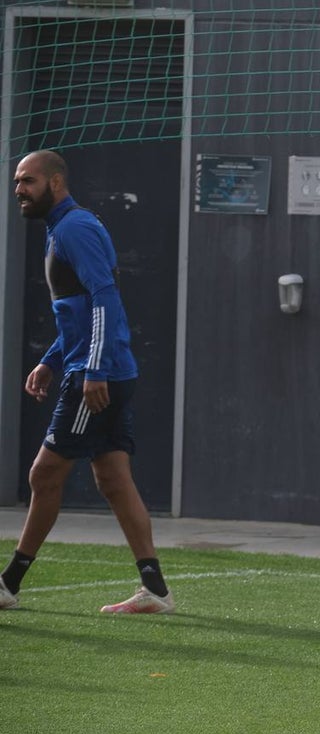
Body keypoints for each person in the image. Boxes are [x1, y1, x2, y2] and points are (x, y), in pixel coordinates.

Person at [0, 150, 174, 614]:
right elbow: (76, 313)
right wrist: (52, 360)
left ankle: (8, 583)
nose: (19, 189)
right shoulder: (63, 228)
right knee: (114, 478)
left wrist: (91, 370)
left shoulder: (74, 228)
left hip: (97, 376)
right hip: (101, 368)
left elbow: (104, 297)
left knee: (43, 473)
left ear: (56, 182)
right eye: (17, 180)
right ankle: (155, 590)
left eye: (28, 180)